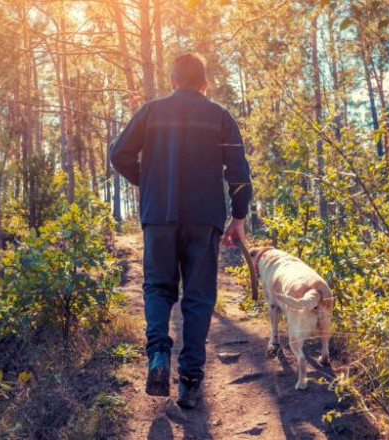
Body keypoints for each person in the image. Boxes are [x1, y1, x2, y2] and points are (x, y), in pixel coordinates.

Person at [109, 53, 252, 409]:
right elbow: (238, 172)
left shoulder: (150, 111)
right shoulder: (220, 116)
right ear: (205, 84)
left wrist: (149, 182)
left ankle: (158, 355)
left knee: (158, 288)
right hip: (204, 219)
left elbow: (118, 154)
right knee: (199, 297)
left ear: (172, 81)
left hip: (159, 216)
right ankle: (190, 380)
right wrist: (238, 217)